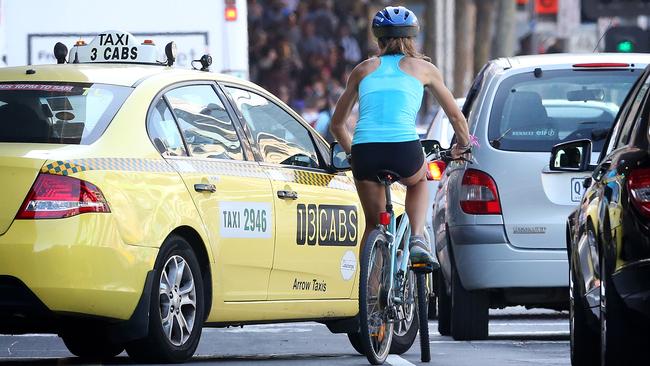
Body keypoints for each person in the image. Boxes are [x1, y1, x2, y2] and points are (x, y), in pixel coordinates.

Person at [329, 5, 471, 266]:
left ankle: (371, 297)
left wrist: (352, 154)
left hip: (365, 151)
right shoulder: (424, 69)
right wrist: (464, 145)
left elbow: (337, 124)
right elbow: (455, 117)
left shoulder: (362, 70)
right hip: (403, 148)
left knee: (373, 226)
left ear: (378, 38)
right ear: (412, 37)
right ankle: (417, 238)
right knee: (419, 180)